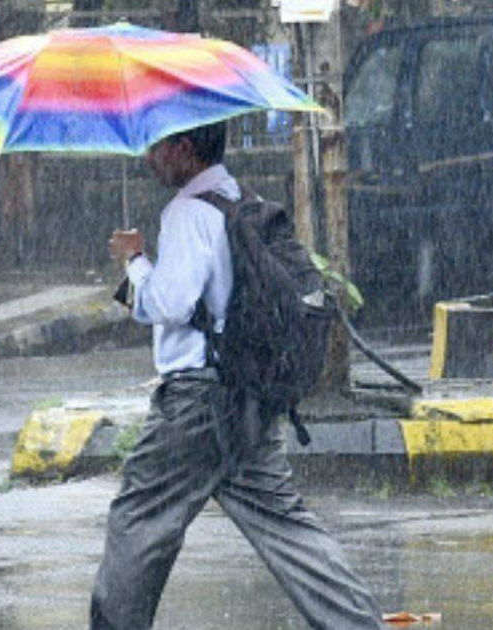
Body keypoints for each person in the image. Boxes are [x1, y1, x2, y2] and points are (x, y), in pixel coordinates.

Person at [95, 121, 385, 630]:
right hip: (246, 394)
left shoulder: (187, 211)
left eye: (157, 146)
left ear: (184, 149)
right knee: (286, 527)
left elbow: (169, 303)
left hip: (195, 403)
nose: (150, 158)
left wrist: (136, 261)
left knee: (137, 521)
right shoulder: (240, 199)